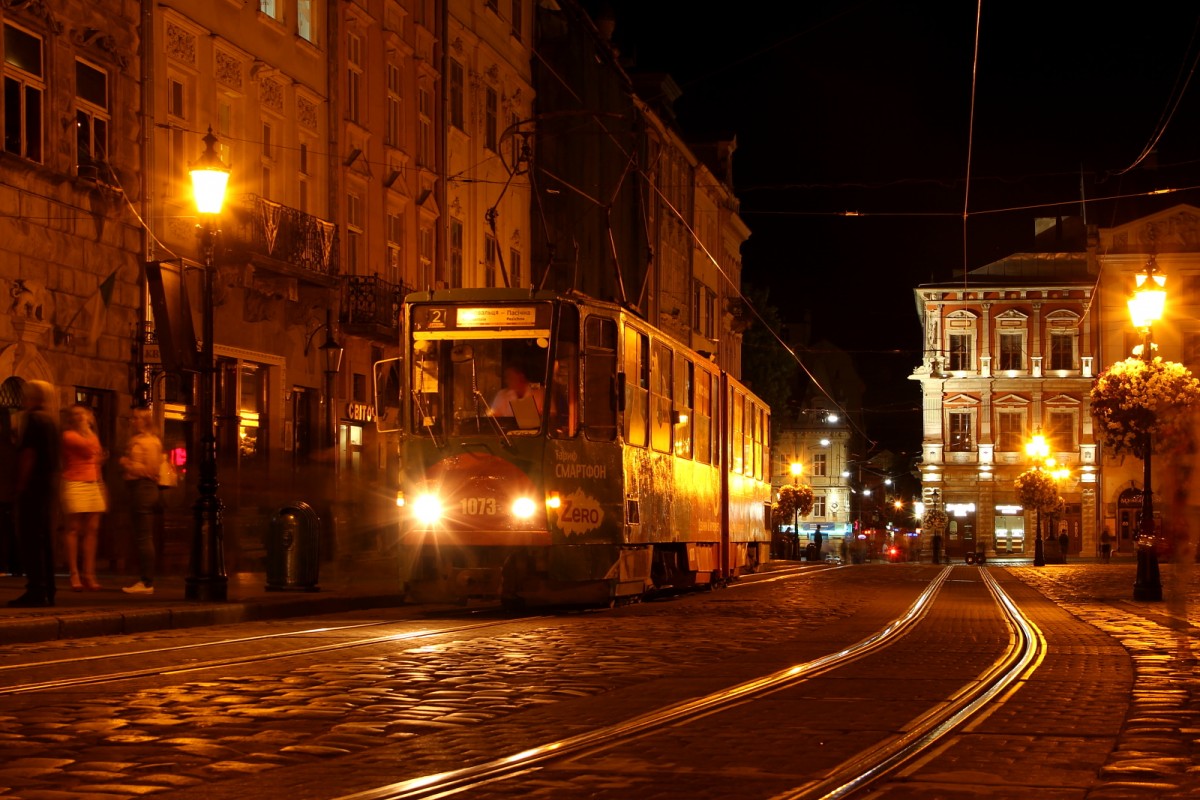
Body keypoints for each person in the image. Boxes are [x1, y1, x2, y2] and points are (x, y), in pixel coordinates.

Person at [9, 380, 60, 608]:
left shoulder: (33, 419)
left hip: (33, 486)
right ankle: (48, 588)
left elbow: (29, 453)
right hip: (48, 484)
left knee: (30, 537)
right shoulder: (51, 421)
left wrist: (20, 484)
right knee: (44, 537)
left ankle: (36, 589)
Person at [61, 404, 107, 591]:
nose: (81, 417)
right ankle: (74, 574)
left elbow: (97, 460)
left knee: (92, 530)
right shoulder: (69, 436)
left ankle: (89, 573)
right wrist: (90, 426)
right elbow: (90, 451)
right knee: (73, 528)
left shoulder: (92, 436)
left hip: (93, 482)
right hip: (75, 483)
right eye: (77, 415)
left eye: (84, 414)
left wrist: (100, 483)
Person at [119, 408, 161, 595]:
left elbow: (151, 470)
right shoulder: (137, 440)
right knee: (140, 536)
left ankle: (146, 581)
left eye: (136, 418)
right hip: (136, 488)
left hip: (143, 488)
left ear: (145, 421)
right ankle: (144, 578)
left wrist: (127, 463)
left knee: (144, 537)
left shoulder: (149, 442)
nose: (133, 421)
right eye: (132, 417)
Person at [0, 408, 19, 577]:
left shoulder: (6, 444)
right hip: (8, 493)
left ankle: (6, 563)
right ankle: (13, 564)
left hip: (4, 492)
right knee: (8, 528)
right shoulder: (12, 443)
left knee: (5, 529)